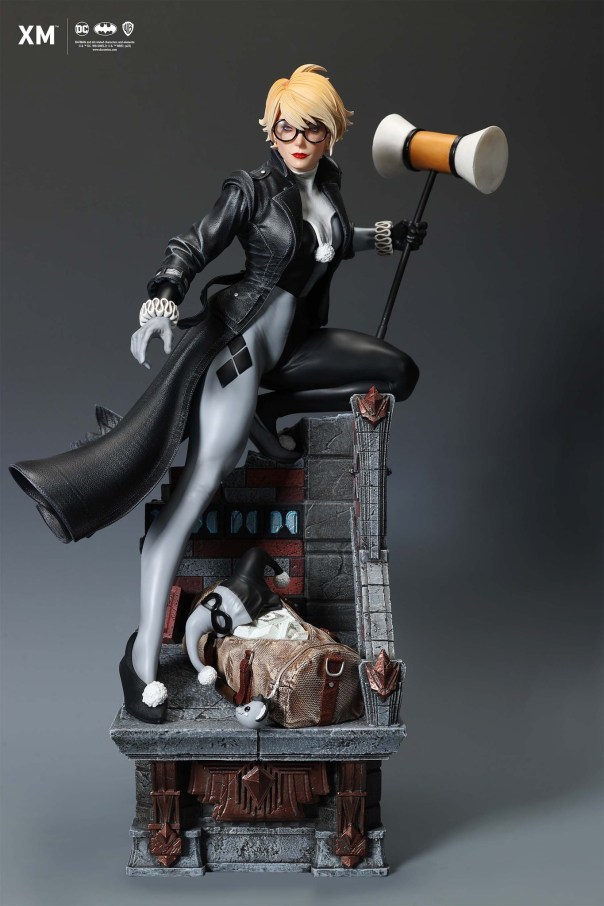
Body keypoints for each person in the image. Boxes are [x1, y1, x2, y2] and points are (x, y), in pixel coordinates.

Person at [10, 64, 425, 722]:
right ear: (271, 129)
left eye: (312, 130)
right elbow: (194, 244)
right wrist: (161, 299)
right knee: (198, 491)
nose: (297, 141)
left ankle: (272, 414)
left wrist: (383, 238)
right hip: (242, 352)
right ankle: (141, 659)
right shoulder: (251, 190)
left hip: (297, 346)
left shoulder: (328, 185)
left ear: (331, 133)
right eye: (286, 129)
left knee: (397, 371)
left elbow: (327, 244)